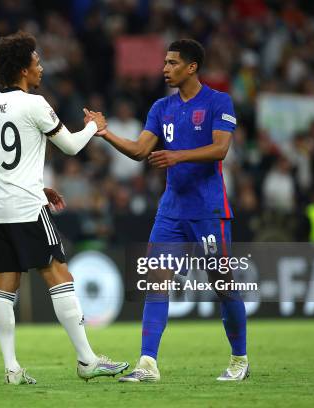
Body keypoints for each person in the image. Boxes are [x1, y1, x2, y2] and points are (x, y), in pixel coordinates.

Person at [0, 31, 128, 385]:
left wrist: (39, 184)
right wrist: (94, 126)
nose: (41, 67)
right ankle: (88, 360)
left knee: (5, 286)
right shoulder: (35, 104)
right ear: (22, 69)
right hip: (27, 209)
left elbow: (6, 163)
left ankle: (12, 367)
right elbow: (73, 147)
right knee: (61, 276)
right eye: (36, 61)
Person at [96, 39, 249, 382]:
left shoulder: (217, 101)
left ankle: (240, 360)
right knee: (156, 282)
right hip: (171, 212)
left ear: (191, 67)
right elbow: (139, 150)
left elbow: (221, 148)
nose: (164, 68)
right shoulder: (161, 107)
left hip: (209, 210)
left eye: (172, 63)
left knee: (222, 284)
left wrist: (177, 155)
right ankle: (147, 363)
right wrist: (106, 134)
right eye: (165, 63)